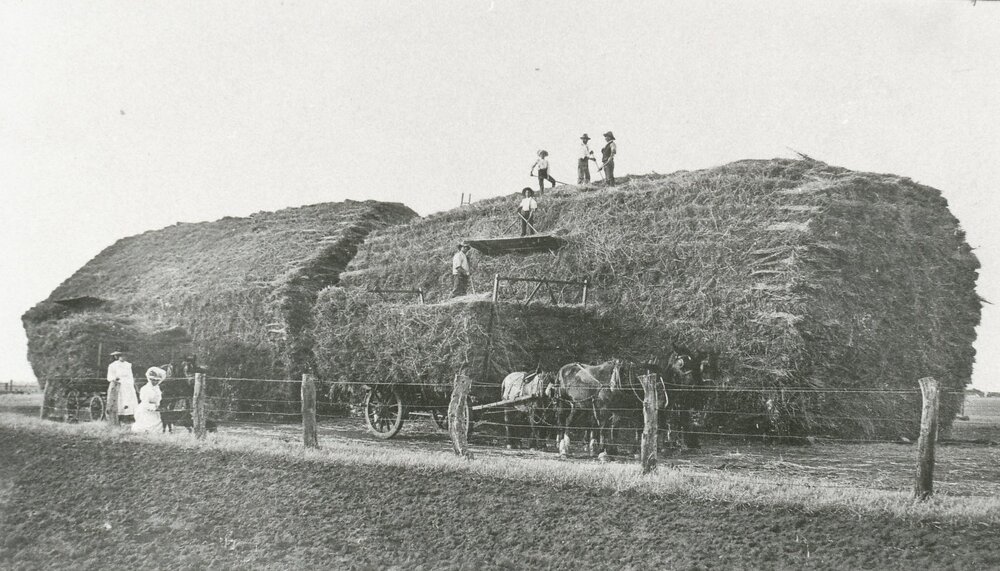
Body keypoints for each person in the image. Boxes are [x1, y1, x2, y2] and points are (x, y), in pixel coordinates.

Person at [106, 350, 139, 422]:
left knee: (129, 398)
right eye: (122, 356)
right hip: (118, 384)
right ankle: (119, 415)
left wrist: (131, 383)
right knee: (121, 399)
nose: (124, 357)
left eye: (125, 356)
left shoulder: (128, 365)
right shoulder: (113, 365)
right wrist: (115, 378)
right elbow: (109, 376)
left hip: (128, 384)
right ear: (117, 357)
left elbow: (130, 375)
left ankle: (129, 415)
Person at [133, 367, 165, 433]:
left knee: (157, 427)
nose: (155, 382)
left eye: (157, 380)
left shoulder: (157, 389)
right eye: (153, 380)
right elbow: (145, 402)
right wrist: (153, 407)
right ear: (149, 379)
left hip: (155, 411)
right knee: (145, 426)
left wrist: (158, 406)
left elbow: (158, 399)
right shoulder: (145, 389)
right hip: (145, 410)